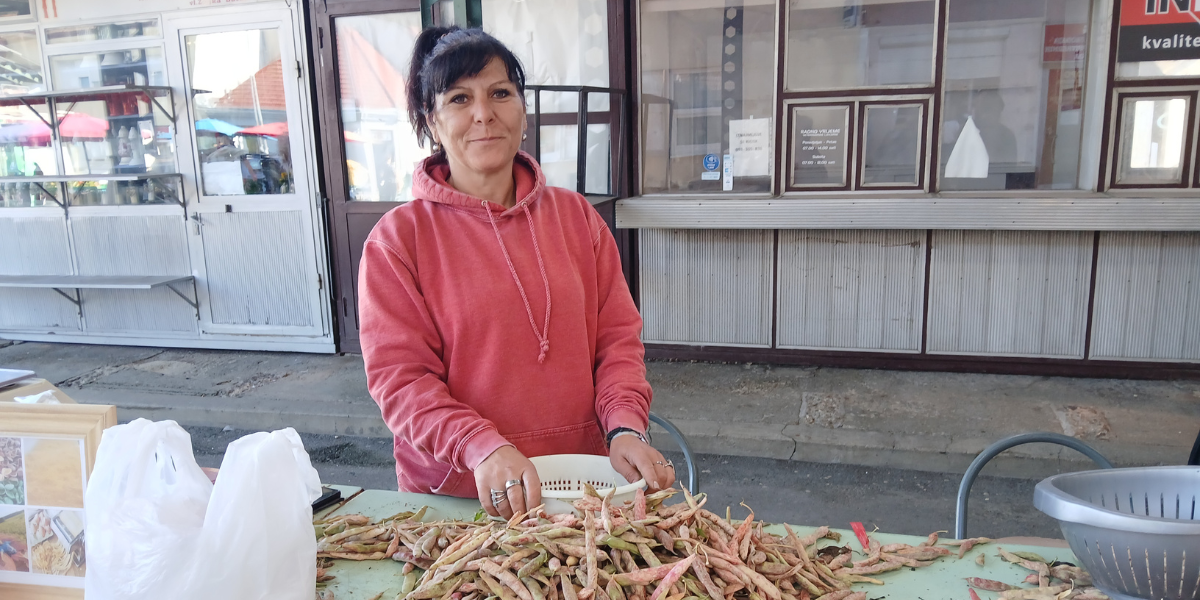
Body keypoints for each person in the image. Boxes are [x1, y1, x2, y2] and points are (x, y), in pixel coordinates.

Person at [358, 26, 673, 519]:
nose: (484, 114)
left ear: (523, 111)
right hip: (461, 496)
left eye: (500, 93)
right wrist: (479, 444)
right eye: (460, 98)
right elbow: (401, 381)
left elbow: (617, 342)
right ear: (432, 122)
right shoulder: (399, 239)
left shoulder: (577, 218)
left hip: (583, 488)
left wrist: (625, 426)